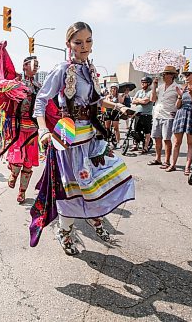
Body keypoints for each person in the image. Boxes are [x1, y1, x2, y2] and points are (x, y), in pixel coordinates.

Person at [30, 22, 135, 255]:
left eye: (88, 41)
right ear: (68, 44)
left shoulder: (89, 69)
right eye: (78, 42)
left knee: (100, 180)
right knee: (72, 188)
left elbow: (96, 101)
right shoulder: (62, 69)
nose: (84, 46)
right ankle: (64, 231)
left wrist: (118, 106)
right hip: (68, 139)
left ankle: (91, 216)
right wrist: (43, 130)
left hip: (89, 136)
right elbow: (40, 100)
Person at [5, 56, 41, 204]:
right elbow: (5, 97)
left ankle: (22, 192)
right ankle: (13, 173)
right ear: (25, 66)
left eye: (38, 65)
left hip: (33, 127)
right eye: (33, 64)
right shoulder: (16, 83)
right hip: (18, 125)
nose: (36, 67)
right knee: (18, 156)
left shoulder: (39, 86)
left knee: (28, 161)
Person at [166, 69, 192, 175]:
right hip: (181, 114)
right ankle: (173, 164)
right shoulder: (183, 87)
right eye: (185, 75)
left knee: (190, 143)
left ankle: (188, 166)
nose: (186, 77)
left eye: (188, 75)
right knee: (176, 142)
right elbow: (177, 106)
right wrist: (180, 96)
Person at [148, 66, 180, 168]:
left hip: (168, 116)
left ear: (172, 75)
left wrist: (177, 111)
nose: (164, 75)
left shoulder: (177, 87)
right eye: (163, 74)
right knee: (157, 138)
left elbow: (180, 103)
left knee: (166, 139)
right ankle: (158, 158)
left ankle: (167, 161)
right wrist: (154, 86)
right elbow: (152, 99)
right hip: (157, 115)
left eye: (166, 74)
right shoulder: (160, 87)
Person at [131, 76, 153, 153]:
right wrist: (141, 100)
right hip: (138, 114)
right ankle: (135, 145)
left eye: (144, 82)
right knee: (136, 131)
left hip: (147, 115)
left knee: (147, 132)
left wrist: (139, 100)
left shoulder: (151, 92)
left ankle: (146, 147)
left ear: (149, 83)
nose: (142, 84)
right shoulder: (139, 92)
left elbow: (145, 102)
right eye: (142, 82)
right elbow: (133, 101)